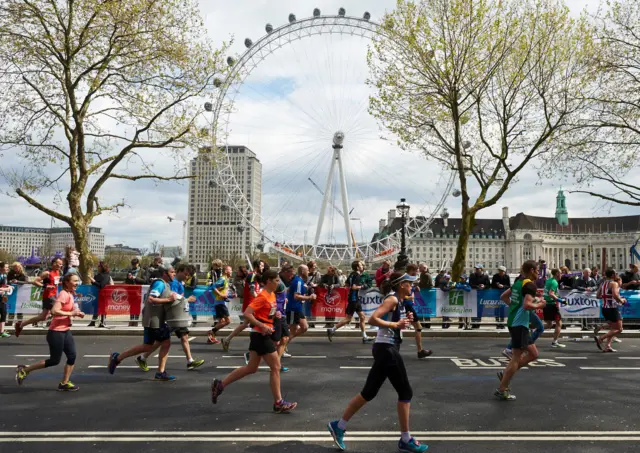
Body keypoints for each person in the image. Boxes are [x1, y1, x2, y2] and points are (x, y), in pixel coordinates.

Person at [327, 272, 428, 453]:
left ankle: (339, 426)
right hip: (387, 349)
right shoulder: (392, 300)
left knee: (368, 393)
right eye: (409, 283)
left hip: (385, 349)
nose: (412, 285)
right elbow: (374, 318)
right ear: (401, 284)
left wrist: (403, 322)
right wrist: (395, 325)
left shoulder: (399, 300)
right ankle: (406, 439)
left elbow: (394, 320)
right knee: (405, 392)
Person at [210, 270, 297, 413]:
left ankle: (220, 385)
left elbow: (266, 313)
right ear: (268, 281)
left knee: (251, 368)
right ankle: (278, 402)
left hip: (262, 334)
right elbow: (247, 313)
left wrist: (275, 314)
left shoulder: (272, 295)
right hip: (260, 335)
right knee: (276, 367)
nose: (278, 283)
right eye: (276, 280)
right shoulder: (262, 296)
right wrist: (262, 325)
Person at [15, 273, 85, 390]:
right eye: (74, 281)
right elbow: (54, 311)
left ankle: (64, 383)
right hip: (56, 332)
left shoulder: (70, 294)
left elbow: (71, 308)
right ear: (67, 282)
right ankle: (25, 370)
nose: (77, 283)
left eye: (77, 281)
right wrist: (71, 313)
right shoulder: (63, 294)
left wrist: (77, 312)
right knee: (54, 360)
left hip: (65, 330)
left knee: (72, 356)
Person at [108, 266, 178, 381]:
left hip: (155, 319)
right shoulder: (160, 284)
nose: (174, 274)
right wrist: (169, 300)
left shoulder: (165, 284)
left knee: (148, 346)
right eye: (172, 272)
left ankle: (118, 357)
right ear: (165, 273)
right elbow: (151, 299)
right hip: (154, 319)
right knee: (165, 342)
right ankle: (160, 372)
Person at [495, 260, 546, 401]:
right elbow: (527, 305)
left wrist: (513, 307)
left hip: (517, 321)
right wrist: (541, 303)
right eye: (537, 270)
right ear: (531, 270)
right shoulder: (529, 284)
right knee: (516, 357)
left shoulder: (518, 282)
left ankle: (506, 374)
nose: (538, 273)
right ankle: (502, 388)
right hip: (518, 324)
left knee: (534, 354)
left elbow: (503, 296)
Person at [138, 264, 204, 370]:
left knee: (183, 336)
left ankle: (189, 361)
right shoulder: (169, 283)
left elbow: (178, 301)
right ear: (179, 271)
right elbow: (169, 300)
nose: (187, 277)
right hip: (168, 316)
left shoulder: (180, 285)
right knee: (161, 341)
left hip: (175, 315)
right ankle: (142, 358)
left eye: (189, 276)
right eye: (186, 274)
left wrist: (184, 302)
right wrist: (187, 300)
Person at [221, 260, 265, 352]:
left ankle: (227, 340)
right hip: (251, 304)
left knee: (246, 324)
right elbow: (252, 291)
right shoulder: (252, 275)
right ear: (257, 266)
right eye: (261, 265)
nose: (263, 267)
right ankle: (257, 347)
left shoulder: (254, 275)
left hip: (252, 304)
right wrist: (262, 300)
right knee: (259, 324)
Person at [14, 257, 63, 337]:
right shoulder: (47, 273)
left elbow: (55, 282)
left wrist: (59, 283)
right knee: (59, 312)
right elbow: (35, 281)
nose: (61, 265)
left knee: (43, 317)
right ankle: (57, 333)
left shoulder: (58, 272)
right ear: (54, 263)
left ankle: (21, 325)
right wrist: (45, 286)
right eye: (59, 263)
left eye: (61, 264)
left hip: (54, 295)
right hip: (49, 296)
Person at [327, 260, 373, 344]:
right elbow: (354, 287)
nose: (362, 266)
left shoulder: (352, 274)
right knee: (348, 318)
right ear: (357, 267)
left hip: (354, 298)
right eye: (360, 265)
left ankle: (365, 337)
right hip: (354, 298)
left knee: (362, 317)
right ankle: (332, 329)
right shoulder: (358, 275)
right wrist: (361, 286)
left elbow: (347, 284)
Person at [594, 268, 627, 353]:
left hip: (604, 308)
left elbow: (597, 296)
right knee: (619, 329)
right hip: (612, 308)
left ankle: (607, 346)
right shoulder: (614, 283)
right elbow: (615, 295)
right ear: (612, 275)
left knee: (613, 328)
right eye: (615, 273)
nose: (616, 274)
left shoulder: (603, 283)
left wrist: (606, 297)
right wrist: (622, 300)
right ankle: (601, 338)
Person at [405, 264, 432, 359]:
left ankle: (420, 350)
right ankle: (420, 351)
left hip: (408, 306)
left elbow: (408, 291)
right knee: (417, 327)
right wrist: (409, 297)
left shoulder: (410, 279)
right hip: (405, 306)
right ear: (411, 270)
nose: (417, 272)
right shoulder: (406, 279)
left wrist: (414, 289)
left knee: (418, 327)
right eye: (416, 270)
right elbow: (398, 294)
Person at [286, 264, 315, 343]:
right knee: (292, 331)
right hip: (293, 309)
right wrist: (309, 297)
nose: (308, 272)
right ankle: (281, 347)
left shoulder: (299, 281)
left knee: (304, 327)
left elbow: (289, 290)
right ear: (302, 271)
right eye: (307, 270)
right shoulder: (298, 281)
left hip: (298, 308)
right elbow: (296, 296)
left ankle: (282, 343)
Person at [207, 265, 233, 344]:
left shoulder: (226, 279)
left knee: (221, 321)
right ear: (226, 271)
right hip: (220, 302)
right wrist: (221, 295)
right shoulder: (222, 279)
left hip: (220, 302)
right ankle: (211, 332)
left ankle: (211, 337)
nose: (231, 272)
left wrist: (227, 296)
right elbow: (213, 286)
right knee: (228, 321)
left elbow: (222, 290)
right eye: (230, 270)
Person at [543, 268, 566, 348]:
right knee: (559, 323)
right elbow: (551, 294)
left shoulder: (549, 280)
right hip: (551, 305)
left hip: (546, 304)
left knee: (549, 324)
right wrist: (560, 300)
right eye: (560, 273)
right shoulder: (554, 282)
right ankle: (554, 342)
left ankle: (535, 332)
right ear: (557, 274)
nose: (562, 275)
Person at [88, 261, 112, 327]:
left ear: (102, 267)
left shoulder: (106, 275)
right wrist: (92, 280)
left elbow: (101, 285)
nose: (97, 267)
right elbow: (94, 284)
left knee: (103, 308)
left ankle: (102, 322)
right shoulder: (98, 274)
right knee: (96, 308)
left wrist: (93, 281)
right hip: (96, 294)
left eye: (99, 266)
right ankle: (93, 322)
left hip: (103, 295)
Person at [125, 258, 147, 326]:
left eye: (135, 264)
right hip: (131, 291)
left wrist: (135, 278)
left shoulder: (142, 271)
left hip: (139, 291)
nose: (133, 266)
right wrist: (128, 278)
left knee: (137, 306)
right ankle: (131, 320)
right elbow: (126, 281)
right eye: (132, 264)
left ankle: (136, 321)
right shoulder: (130, 271)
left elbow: (145, 281)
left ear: (138, 263)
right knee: (131, 306)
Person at [468, 264, 490, 329]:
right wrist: (477, 286)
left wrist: (484, 286)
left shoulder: (485, 276)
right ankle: (473, 323)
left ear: (481, 269)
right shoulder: (472, 275)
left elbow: (488, 285)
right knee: (473, 309)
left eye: (478, 269)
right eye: (476, 269)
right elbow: (470, 284)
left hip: (482, 295)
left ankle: (478, 324)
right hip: (473, 295)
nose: (476, 270)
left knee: (480, 310)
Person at [417, 264, 432, 329]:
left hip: (425, 295)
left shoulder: (426, 275)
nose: (419, 269)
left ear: (424, 268)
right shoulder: (423, 274)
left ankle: (426, 323)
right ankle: (423, 323)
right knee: (423, 309)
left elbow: (428, 285)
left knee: (424, 309)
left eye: (420, 268)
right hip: (423, 294)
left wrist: (418, 285)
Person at [0, 262, 12, 337]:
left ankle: (1, 332)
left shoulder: (4, 275)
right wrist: (6, 289)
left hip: (2, 297)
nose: (7, 268)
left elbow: (3, 285)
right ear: (1, 268)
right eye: (6, 267)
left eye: (8, 267)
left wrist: (8, 286)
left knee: (3, 313)